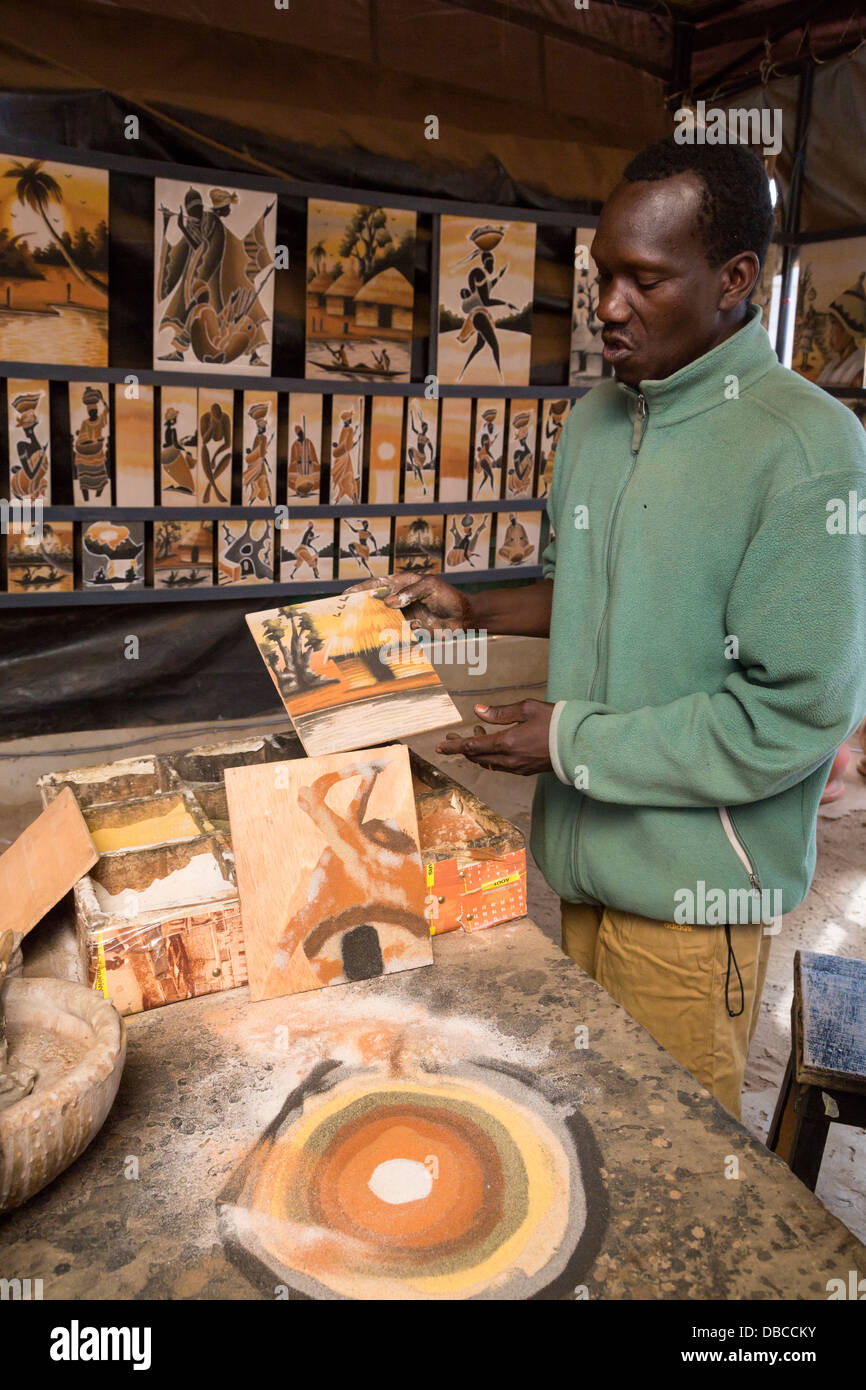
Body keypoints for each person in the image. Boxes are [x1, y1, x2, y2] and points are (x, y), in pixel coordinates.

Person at [350, 138, 866, 1120]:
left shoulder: (804, 451)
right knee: (587, 1129)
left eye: (644, 279)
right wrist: (475, 607)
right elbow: (585, 584)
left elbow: (790, 720)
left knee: (670, 1169)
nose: (609, 304)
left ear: (734, 279)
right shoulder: (596, 420)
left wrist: (566, 738)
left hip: (686, 906)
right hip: (575, 871)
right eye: (599, 275)